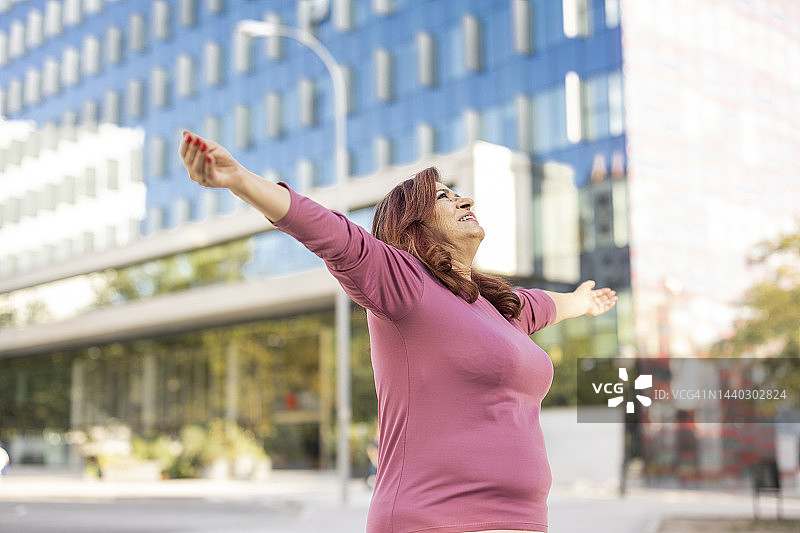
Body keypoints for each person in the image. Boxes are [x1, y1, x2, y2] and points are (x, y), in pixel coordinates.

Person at [180, 132, 617, 533]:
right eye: (444, 198)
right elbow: (332, 234)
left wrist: (581, 302)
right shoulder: (404, 285)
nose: (464, 200)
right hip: (433, 521)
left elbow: (544, 304)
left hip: (523, 522)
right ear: (414, 230)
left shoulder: (500, 310)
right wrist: (240, 180)